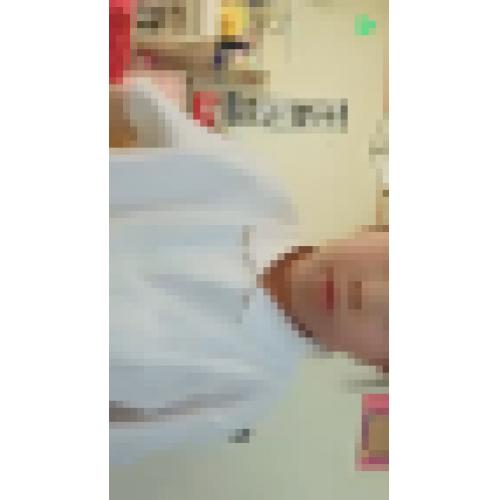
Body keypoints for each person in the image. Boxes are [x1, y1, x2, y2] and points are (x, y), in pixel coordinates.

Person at [109, 77, 388, 465]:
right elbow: (130, 105)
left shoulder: (243, 394)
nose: (367, 294)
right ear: (379, 230)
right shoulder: (250, 186)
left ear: (377, 362)